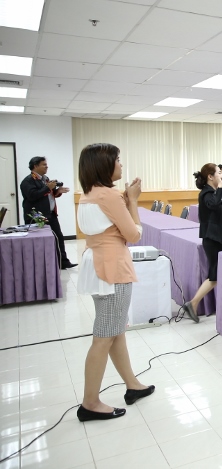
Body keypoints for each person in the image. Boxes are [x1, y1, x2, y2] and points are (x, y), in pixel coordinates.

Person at [75, 143, 154, 421]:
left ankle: (132, 384)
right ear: (104, 165)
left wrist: (126, 197)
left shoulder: (89, 194)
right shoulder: (108, 195)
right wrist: (133, 201)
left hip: (98, 265)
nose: (121, 164)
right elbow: (134, 235)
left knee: (114, 329)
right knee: (104, 337)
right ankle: (90, 403)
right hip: (113, 269)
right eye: (117, 160)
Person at [184, 163, 222, 322]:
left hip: (217, 237)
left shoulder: (213, 193)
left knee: (217, 274)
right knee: (218, 273)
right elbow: (214, 204)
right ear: (210, 177)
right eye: (219, 173)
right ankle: (195, 303)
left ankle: (194, 303)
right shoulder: (206, 193)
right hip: (213, 238)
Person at [20, 156, 76, 269]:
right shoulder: (28, 181)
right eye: (44, 164)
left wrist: (57, 191)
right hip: (37, 217)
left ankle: (63, 262)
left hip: (50, 214)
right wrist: (47, 187)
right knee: (39, 241)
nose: (47, 166)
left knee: (58, 238)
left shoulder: (45, 179)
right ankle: (42, 266)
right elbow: (32, 196)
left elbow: (48, 195)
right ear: (35, 166)